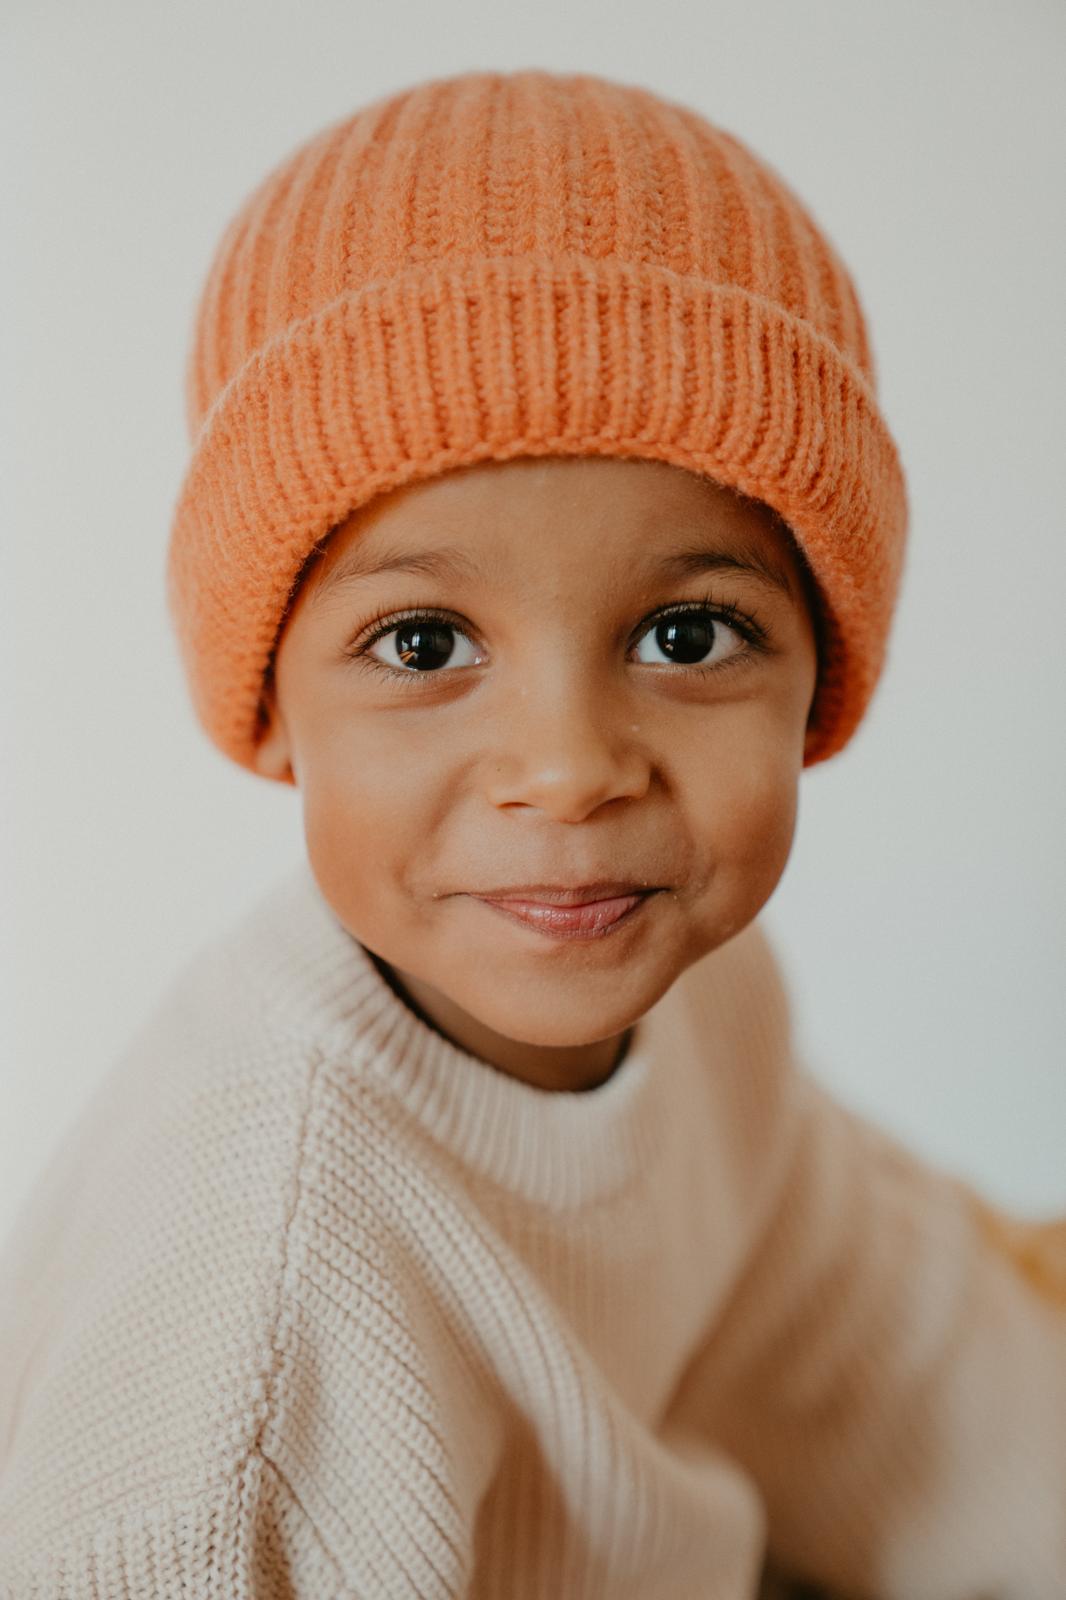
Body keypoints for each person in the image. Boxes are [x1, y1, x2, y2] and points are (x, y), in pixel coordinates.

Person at [0, 67, 1063, 1600]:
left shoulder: (705, 1003)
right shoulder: (251, 1340)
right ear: (274, 706)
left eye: (688, 635)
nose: (567, 775)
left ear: (820, 675)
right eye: (426, 646)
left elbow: (899, 1359)